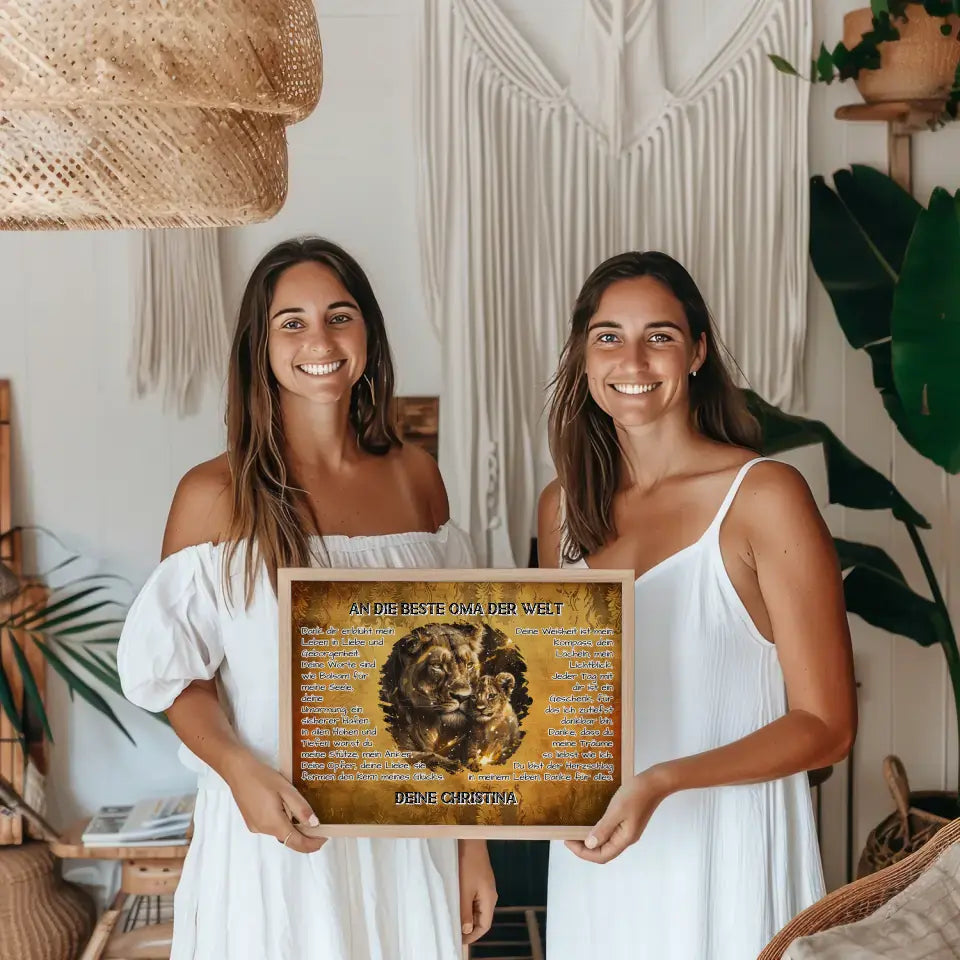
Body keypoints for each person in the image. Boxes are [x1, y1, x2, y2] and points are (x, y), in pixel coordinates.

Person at [117, 237, 497, 960]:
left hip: (409, 833)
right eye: (291, 322)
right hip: (275, 834)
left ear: (367, 333)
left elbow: (463, 675)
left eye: (339, 316)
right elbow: (177, 677)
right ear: (259, 347)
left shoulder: (417, 476)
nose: (319, 340)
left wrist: (471, 845)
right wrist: (239, 772)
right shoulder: (214, 494)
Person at [538, 251, 856, 959]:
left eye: (660, 335)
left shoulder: (765, 495)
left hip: (725, 856)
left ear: (698, 352)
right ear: (584, 356)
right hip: (597, 858)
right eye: (609, 337)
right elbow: (559, 703)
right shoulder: (561, 509)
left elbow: (827, 726)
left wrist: (663, 783)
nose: (633, 360)